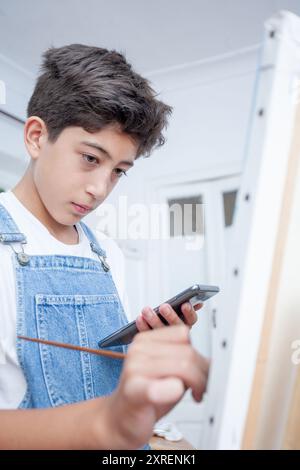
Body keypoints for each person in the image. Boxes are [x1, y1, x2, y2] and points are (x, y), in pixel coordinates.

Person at [0, 44, 209, 449]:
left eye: (119, 172)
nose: (99, 190)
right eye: (91, 159)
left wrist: (141, 360)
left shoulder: (105, 254)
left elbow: (98, 382)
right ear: (37, 137)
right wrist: (109, 426)